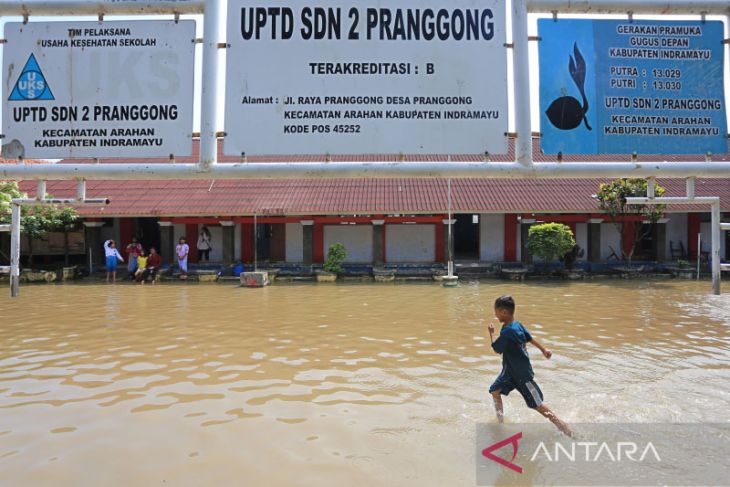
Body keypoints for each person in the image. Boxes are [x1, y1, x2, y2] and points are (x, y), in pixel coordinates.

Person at [488, 295, 572, 436]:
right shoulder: (516, 325)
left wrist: (491, 334)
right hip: (509, 373)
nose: (495, 315)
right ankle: (500, 423)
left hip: (522, 375)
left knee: (537, 405)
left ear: (503, 312)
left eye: (496, 311)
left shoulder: (508, 331)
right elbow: (530, 338)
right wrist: (543, 350)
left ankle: (562, 425)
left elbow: (497, 349)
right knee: (494, 391)